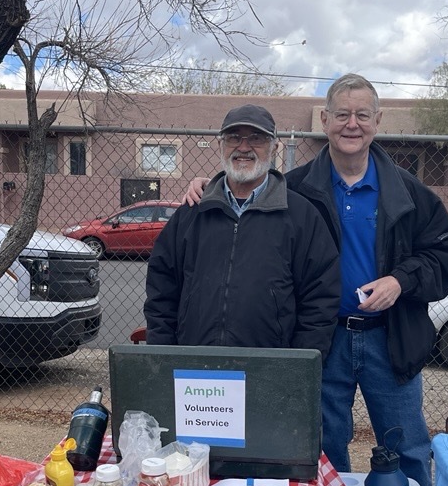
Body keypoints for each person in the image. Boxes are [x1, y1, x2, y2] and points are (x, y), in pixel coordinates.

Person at [184, 76, 448, 486]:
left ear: (377, 121)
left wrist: (401, 281)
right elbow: (244, 190)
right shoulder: (294, 189)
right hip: (322, 338)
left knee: (407, 447)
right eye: (343, 115)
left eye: (362, 115)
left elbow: (444, 253)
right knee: (325, 447)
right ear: (326, 120)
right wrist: (208, 185)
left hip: (390, 339)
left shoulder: (409, 192)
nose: (352, 124)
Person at [144, 104, 340, 358]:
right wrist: (163, 354)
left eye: (256, 138)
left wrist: (299, 366)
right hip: (196, 366)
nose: (244, 147)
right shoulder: (191, 213)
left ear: (274, 147)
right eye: (234, 137)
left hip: (270, 368)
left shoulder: (301, 215)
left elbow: (321, 298)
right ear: (221, 146)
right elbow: (161, 290)